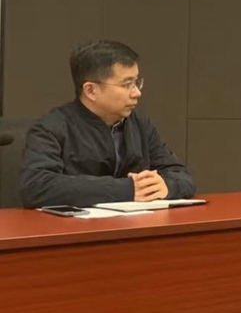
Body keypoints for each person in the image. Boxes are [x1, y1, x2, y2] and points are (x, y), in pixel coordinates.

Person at [19, 40, 196, 208]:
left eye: (137, 82)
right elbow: (36, 186)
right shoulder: (52, 127)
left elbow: (182, 176)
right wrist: (127, 189)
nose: (136, 93)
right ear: (91, 90)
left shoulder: (140, 124)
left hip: (136, 224)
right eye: (127, 84)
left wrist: (166, 185)